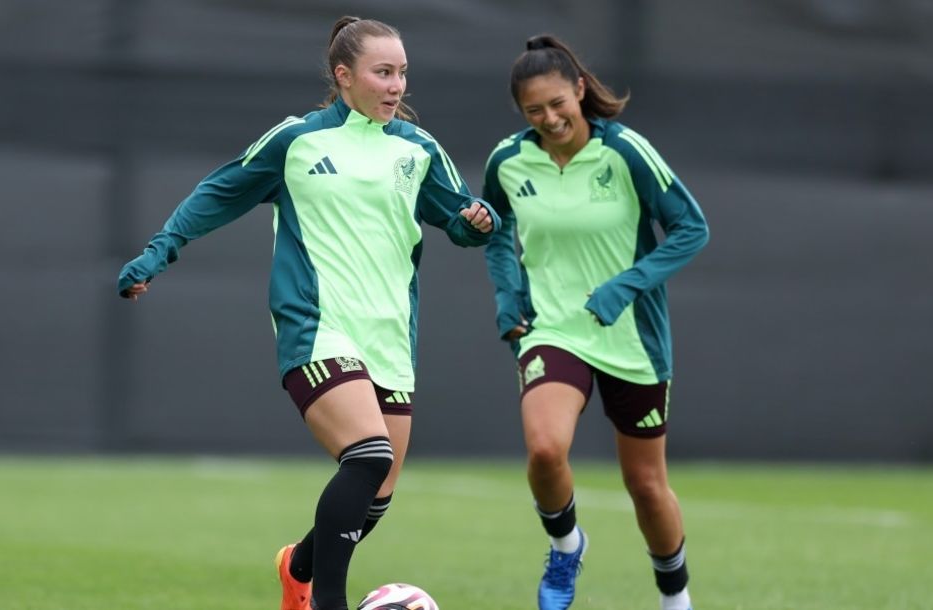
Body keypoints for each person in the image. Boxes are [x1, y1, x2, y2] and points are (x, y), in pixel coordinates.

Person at [117, 16, 498, 610]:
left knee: (378, 492)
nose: (396, 85)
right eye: (382, 72)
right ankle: (328, 602)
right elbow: (219, 191)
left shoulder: (417, 149)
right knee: (368, 457)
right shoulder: (296, 141)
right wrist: (156, 253)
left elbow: (460, 219)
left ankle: (297, 566)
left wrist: (479, 222)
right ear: (344, 77)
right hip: (316, 328)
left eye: (402, 72)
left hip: (390, 337)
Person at [481, 34, 709, 610]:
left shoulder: (626, 151)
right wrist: (509, 299)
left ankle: (675, 599)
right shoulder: (508, 161)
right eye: (535, 110)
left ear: (580, 89)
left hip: (632, 338)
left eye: (558, 103)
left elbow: (691, 229)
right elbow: (495, 235)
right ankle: (565, 546)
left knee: (647, 487)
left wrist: (624, 286)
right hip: (553, 330)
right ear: (521, 113)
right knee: (545, 450)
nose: (550, 118)